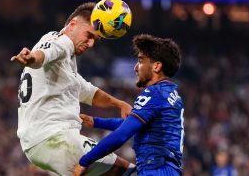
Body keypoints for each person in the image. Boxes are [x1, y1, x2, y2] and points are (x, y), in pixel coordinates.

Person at [10, 2, 136, 176]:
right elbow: (47, 53)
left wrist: (119, 104)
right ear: (73, 24)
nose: (91, 44)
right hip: (54, 138)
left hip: (46, 141)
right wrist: (32, 58)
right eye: (89, 35)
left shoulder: (64, 64)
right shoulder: (58, 40)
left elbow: (88, 92)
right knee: (131, 173)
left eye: (95, 40)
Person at [73, 34, 184, 176]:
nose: (135, 67)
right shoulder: (171, 95)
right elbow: (134, 124)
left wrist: (84, 161)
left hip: (156, 170)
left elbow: (122, 135)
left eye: (141, 61)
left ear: (157, 66)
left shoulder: (154, 93)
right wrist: (97, 122)